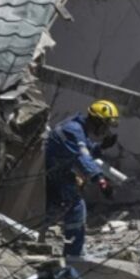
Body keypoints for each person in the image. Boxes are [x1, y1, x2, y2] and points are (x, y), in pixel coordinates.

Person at [43, 99, 119, 259]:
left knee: (57, 211)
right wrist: (101, 181)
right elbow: (83, 158)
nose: (106, 130)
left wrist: (101, 147)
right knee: (75, 209)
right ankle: (72, 256)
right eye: (105, 126)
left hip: (57, 173)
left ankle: (65, 250)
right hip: (55, 175)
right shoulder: (74, 130)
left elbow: (86, 149)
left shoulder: (77, 128)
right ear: (98, 122)